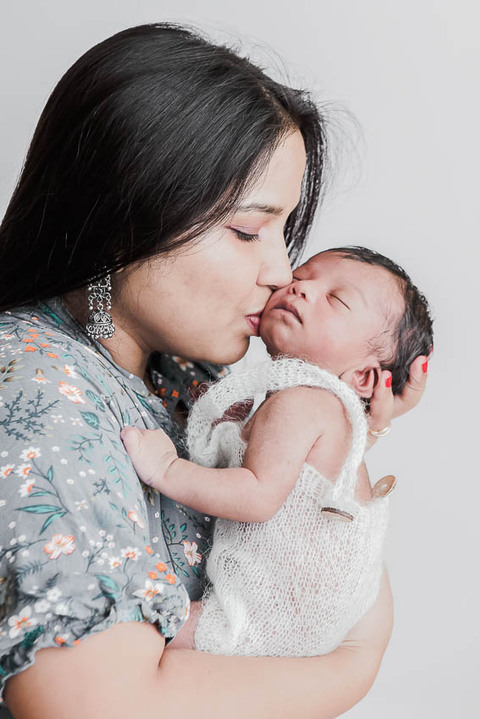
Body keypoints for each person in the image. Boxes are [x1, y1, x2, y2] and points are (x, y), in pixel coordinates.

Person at [0, 23, 428, 719]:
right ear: (125, 212)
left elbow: (299, 579)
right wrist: (355, 665)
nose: (281, 273)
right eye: (245, 230)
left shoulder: (178, 372)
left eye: (283, 232)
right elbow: (96, 704)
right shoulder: (37, 393)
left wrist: (348, 426)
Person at [122, 246, 433, 656]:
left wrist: (166, 469)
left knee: (135, 633)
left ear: (362, 376)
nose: (301, 290)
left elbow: (256, 495)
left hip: (265, 617)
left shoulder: (305, 401)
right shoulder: (319, 409)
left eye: (336, 300)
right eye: (301, 276)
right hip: (303, 621)